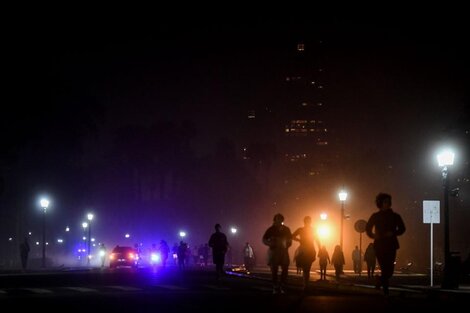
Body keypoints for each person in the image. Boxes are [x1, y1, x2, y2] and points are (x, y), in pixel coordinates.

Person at [366, 192, 406, 295]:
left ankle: (380, 281)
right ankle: (385, 289)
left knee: (390, 270)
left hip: (391, 244)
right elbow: (368, 228)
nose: (387, 204)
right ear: (380, 203)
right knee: (384, 268)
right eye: (385, 202)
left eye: (389, 202)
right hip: (379, 245)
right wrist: (373, 235)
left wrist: (393, 233)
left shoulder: (395, 216)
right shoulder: (375, 216)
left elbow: (402, 229)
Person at [262, 213, 292, 294]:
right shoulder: (271, 229)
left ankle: (282, 285)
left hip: (283, 251)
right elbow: (264, 239)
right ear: (275, 220)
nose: (279, 221)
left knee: (285, 269)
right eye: (278, 219)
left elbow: (290, 239)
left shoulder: (286, 229)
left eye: (281, 219)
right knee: (274, 270)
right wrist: (269, 243)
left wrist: (288, 245)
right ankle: (275, 286)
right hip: (274, 251)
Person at [292, 216, 320, 290]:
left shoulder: (301, 229)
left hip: (305, 249)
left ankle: (305, 284)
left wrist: (298, 240)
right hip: (309, 249)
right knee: (307, 268)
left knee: (306, 268)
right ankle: (306, 284)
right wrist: (319, 248)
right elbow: (317, 239)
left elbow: (292, 236)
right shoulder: (312, 230)